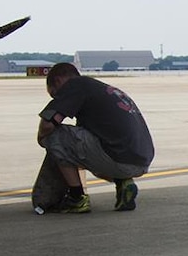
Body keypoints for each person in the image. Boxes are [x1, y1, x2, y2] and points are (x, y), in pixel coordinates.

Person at [33, 62, 154, 214]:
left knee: (54, 136)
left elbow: (47, 125)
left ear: (57, 81)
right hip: (140, 159)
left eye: (55, 94)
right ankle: (123, 182)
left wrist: (42, 139)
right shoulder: (100, 89)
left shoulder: (75, 85)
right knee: (80, 149)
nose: (59, 98)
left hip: (118, 157)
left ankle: (77, 199)